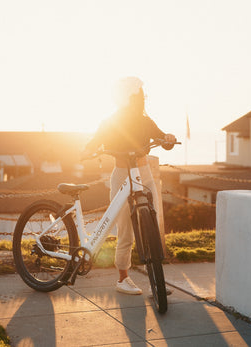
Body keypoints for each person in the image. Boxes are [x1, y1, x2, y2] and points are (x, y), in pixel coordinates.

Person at [81, 77, 176, 295]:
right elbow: (94, 142)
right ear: (128, 97)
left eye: (143, 94)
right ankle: (123, 278)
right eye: (139, 94)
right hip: (122, 174)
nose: (143, 97)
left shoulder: (145, 120)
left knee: (151, 223)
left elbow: (161, 138)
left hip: (144, 174)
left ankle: (156, 280)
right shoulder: (110, 121)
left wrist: (168, 138)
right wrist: (87, 151)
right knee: (126, 229)